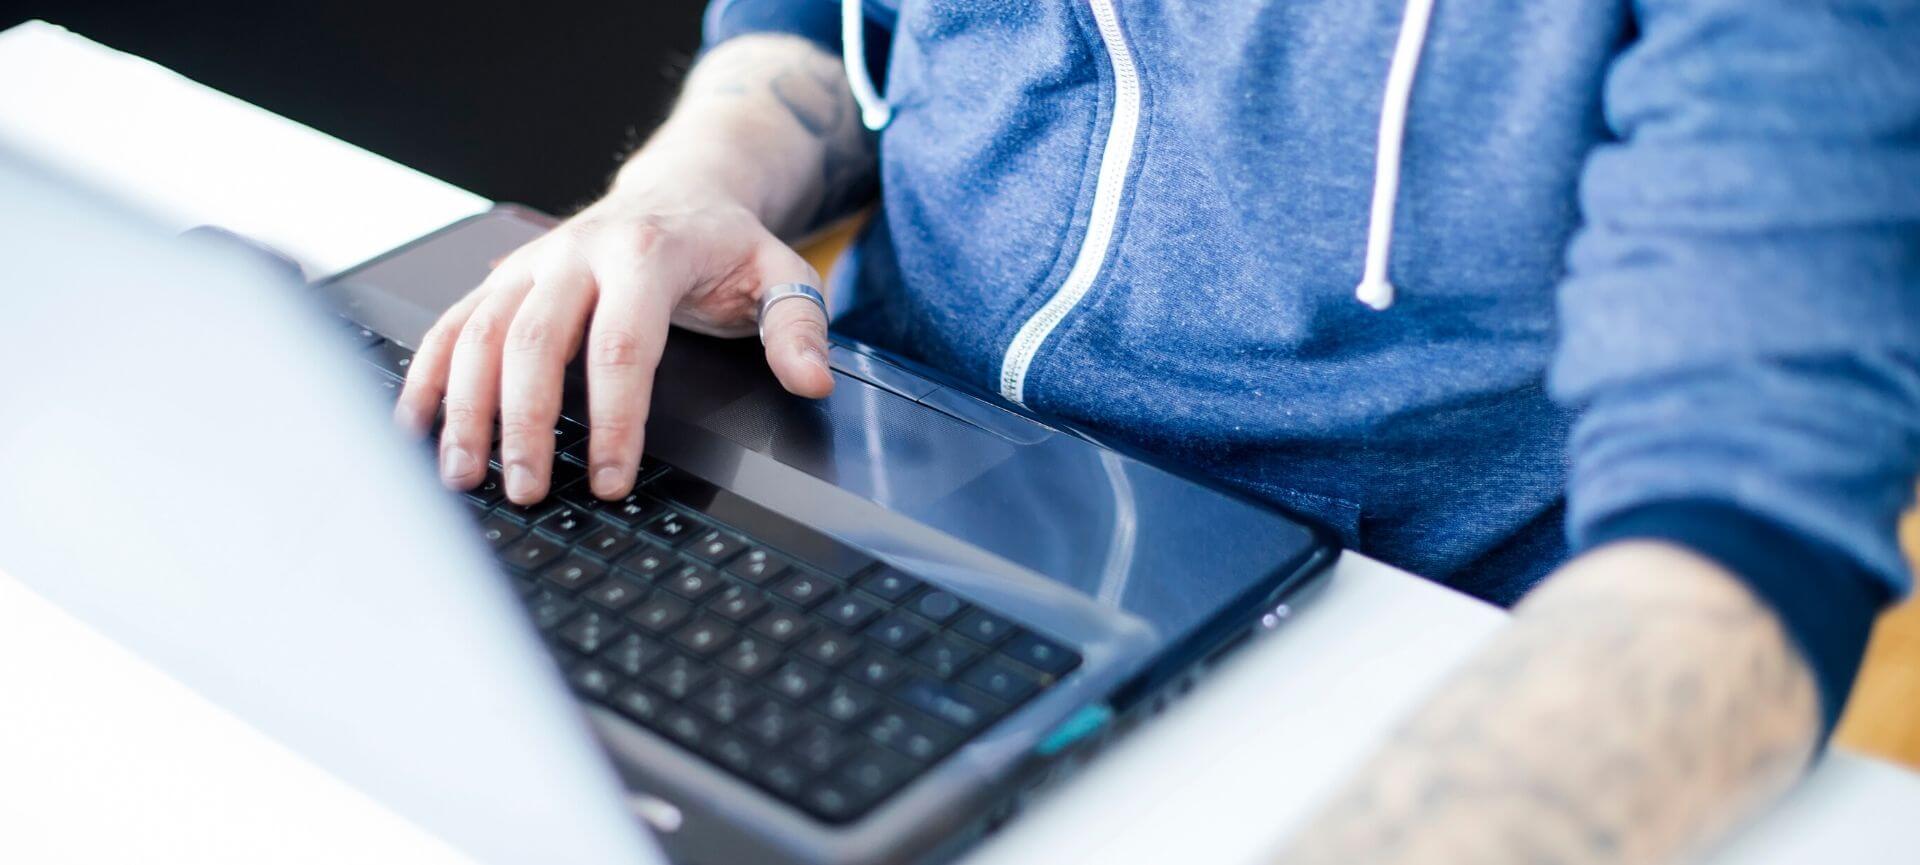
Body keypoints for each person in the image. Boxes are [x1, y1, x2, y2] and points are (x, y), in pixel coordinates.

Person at [394, 1, 1920, 862]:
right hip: (842, 485)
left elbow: (1742, 538)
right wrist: (701, 172)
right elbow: (813, 20)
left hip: (1361, 656)